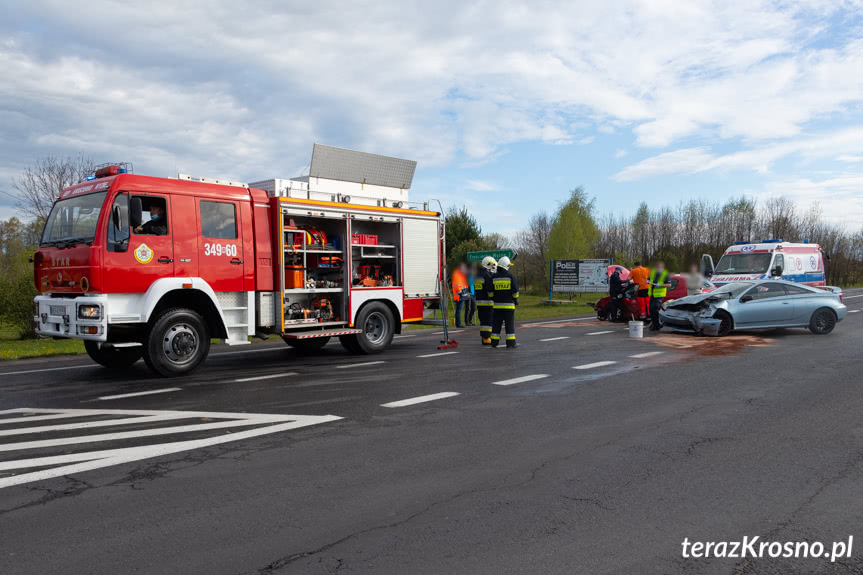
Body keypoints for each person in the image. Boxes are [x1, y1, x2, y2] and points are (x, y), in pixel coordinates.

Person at [488, 256, 518, 348]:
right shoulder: (511, 276)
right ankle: (510, 343)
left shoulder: (493, 277)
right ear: (507, 266)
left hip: (497, 307)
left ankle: (494, 342)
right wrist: (515, 299)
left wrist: (494, 298)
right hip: (509, 307)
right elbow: (515, 291)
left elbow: (490, 292)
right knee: (509, 325)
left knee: (496, 325)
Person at [476, 256, 496, 344]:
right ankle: (487, 338)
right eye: (492, 266)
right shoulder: (487, 276)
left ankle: (484, 338)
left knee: (483, 321)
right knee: (488, 321)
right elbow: (489, 289)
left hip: (479, 302)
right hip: (487, 302)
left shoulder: (477, 275)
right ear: (488, 265)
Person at [648, 260, 672, 331]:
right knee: (651, 310)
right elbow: (649, 279)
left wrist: (661, 285)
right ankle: (655, 325)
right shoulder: (653, 273)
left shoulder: (665, 274)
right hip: (652, 294)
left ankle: (658, 324)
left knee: (655, 308)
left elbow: (669, 285)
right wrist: (648, 281)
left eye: (659, 266)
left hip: (660, 294)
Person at [451, 263, 469, 328]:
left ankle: (458, 323)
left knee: (458, 310)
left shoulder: (459, 275)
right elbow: (457, 286)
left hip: (460, 295)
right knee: (458, 310)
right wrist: (461, 293)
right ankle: (458, 324)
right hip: (459, 296)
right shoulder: (457, 275)